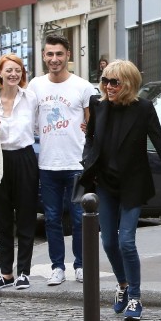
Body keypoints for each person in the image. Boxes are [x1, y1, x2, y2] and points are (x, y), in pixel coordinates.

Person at [79, 60, 161, 320]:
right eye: (105, 81)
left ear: (128, 84)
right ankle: (123, 285)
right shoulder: (98, 106)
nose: (109, 86)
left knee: (126, 240)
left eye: (115, 82)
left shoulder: (144, 109)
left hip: (133, 184)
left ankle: (136, 297)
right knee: (108, 241)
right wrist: (87, 161)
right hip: (105, 183)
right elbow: (91, 138)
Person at [27, 34, 96, 286]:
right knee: (52, 219)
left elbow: (92, 125)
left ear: (68, 55)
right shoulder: (35, 85)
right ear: (44, 56)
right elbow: (29, 118)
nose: (54, 59)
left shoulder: (83, 87)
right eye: (49, 54)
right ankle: (57, 266)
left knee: (79, 219)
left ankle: (80, 265)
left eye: (59, 54)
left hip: (76, 164)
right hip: (47, 164)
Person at [0, 53, 39, 291]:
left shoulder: (30, 98)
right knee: (3, 218)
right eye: (9, 70)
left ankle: (24, 272)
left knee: (26, 216)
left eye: (18, 70)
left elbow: (39, 126)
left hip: (24, 158)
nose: (14, 74)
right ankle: (5, 273)